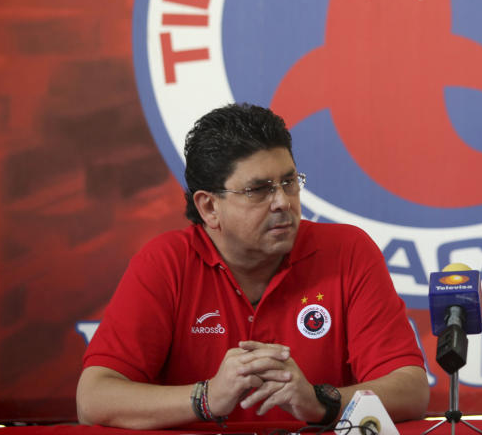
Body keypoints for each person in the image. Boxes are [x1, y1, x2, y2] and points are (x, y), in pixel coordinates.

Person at [76, 103, 430, 429]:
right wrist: (207, 397)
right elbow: (94, 398)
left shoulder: (348, 251)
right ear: (209, 207)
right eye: (258, 190)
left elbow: (410, 389)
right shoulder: (165, 262)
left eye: (289, 182)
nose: (283, 202)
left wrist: (319, 400)